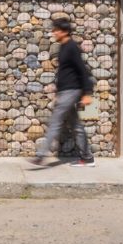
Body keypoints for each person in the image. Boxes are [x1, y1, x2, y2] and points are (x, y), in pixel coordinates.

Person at [29, 18, 95, 167]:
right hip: (66, 91)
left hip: (71, 91)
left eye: (56, 30)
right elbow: (64, 72)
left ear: (64, 31)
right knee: (76, 125)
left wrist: (87, 92)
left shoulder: (72, 47)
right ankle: (87, 158)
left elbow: (82, 70)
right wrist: (59, 91)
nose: (54, 32)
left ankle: (40, 156)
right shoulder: (63, 47)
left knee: (55, 121)